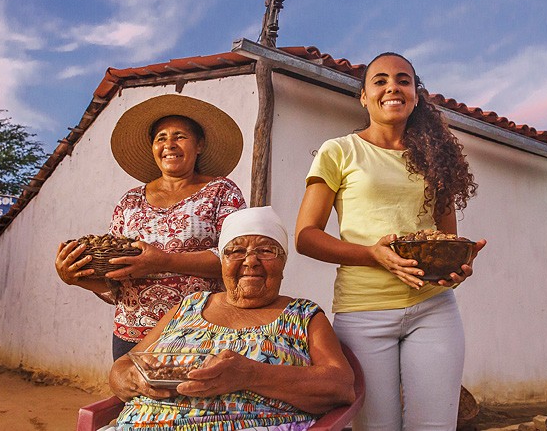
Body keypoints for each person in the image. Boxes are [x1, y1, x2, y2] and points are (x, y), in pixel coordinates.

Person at [295, 52, 487, 431]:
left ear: (416, 94)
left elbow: (446, 238)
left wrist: (458, 266)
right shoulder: (340, 151)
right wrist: (371, 254)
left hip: (434, 309)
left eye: (403, 80)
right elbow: (306, 237)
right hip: (363, 312)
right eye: (379, 81)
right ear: (364, 97)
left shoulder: (436, 159)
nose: (392, 87)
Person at [107, 206, 356, 431]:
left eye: (266, 251)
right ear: (223, 262)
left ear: (283, 262)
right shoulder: (188, 307)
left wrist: (251, 375)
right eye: (235, 251)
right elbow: (122, 368)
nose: (250, 261)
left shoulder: (303, 316)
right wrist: (134, 380)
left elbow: (340, 386)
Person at [55, 95, 247, 360]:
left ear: (199, 145)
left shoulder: (221, 191)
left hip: (199, 328)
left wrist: (162, 262)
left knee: (194, 400)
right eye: (161, 138)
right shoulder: (129, 201)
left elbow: (237, 259)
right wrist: (77, 278)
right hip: (133, 333)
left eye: (180, 136)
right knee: (133, 401)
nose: (169, 144)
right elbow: (115, 283)